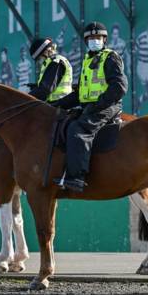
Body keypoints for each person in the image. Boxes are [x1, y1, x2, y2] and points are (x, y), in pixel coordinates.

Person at [53, 22, 128, 192]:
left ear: (104, 39)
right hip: (91, 106)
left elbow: (120, 86)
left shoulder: (110, 57)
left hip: (107, 105)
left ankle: (77, 177)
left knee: (78, 129)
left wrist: (98, 104)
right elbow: (79, 94)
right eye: (91, 38)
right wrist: (56, 104)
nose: (95, 40)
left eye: (98, 37)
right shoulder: (87, 60)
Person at [28, 37, 73, 103]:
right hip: (54, 105)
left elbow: (45, 89)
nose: (39, 61)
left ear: (46, 51)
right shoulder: (48, 63)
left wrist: (27, 96)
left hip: (61, 105)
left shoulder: (56, 62)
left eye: (39, 57)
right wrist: (35, 87)